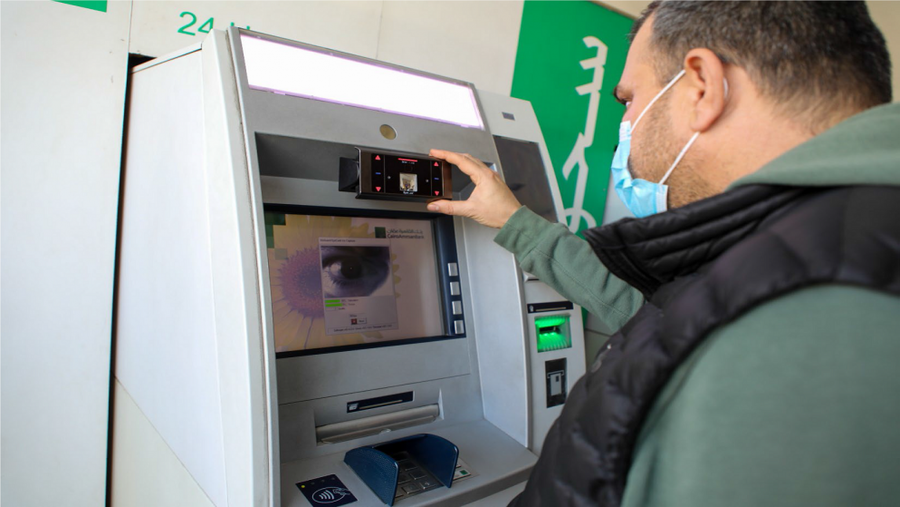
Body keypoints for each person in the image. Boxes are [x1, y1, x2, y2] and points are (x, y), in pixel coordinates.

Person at [428, 2, 900, 506]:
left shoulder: (816, 319)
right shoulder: (815, 247)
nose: (627, 124)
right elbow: (666, 323)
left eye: (629, 100)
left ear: (702, 86)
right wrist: (517, 225)